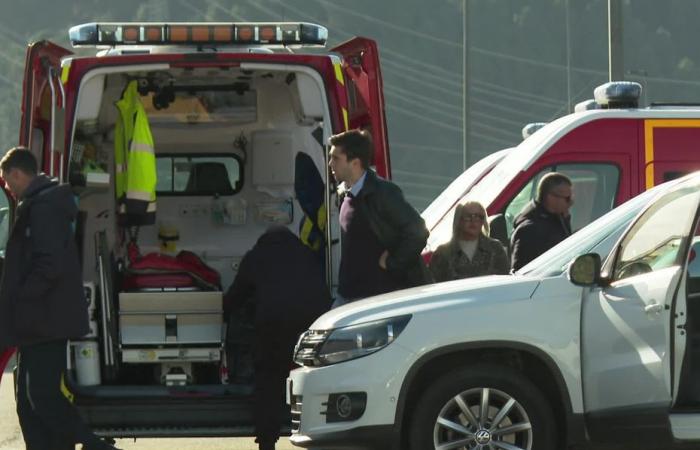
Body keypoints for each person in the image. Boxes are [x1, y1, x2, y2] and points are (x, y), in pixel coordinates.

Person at [0, 148, 119, 450]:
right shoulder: (39, 204)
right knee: (28, 403)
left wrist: (21, 299)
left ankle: (94, 445)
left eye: (7, 180)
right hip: (36, 321)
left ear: (17, 173)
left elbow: (48, 264)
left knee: (41, 396)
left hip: (45, 319)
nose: (8, 188)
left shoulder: (44, 208)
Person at [223, 226, 329, 450]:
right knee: (311, 376)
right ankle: (321, 436)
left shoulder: (257, 255)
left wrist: (220, 313)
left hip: (274, 323)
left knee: (268, 380)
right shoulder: (306, 254)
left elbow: (235, 297)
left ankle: (267, 441)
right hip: (315, 321)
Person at [328, 129, 431, 307]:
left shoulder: (383, 193)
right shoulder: (345, 195)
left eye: (336, 158)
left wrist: (392, 263)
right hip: (347, 296)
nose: (330, 163)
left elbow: (417, 231)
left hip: (376, 299)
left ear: (355, 163)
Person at [429, 201, 509, 282]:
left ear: (483, 221)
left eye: (478, 217)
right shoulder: (442, 253)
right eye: (468, 216)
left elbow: (505, 282)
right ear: (459, 220)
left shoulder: (495, 248)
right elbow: (433, 284)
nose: (473, 220)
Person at [510, 172, 573, 271]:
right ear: (551, 197)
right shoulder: (530, 229)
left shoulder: (557, 218)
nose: (571, 202)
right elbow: (521, 270)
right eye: (567, 198)